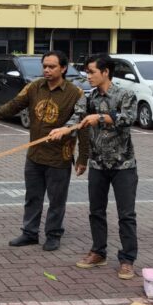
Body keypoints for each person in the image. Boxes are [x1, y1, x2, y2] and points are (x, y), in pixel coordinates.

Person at [0, 51, 89, 252]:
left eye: (52, 66)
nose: (46, 70)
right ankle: (30, 233)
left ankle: (53, 234)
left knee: (56, 200)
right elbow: (14, 105)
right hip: (35, 154)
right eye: (44, 66)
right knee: (32, 196)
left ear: (63, 68)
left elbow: (82, 124)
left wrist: (82, 158)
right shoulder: (34, 87)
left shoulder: (76, 93)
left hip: (59, 157)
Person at [49, 53, 139, 280]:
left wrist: (99, 118)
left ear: (105, 72)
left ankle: (127, 260)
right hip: (98, 164)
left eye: (91, 72)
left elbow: (128, 117)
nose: (88, 76)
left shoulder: (124, 94)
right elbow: (78, 118)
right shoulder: (89, 97)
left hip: (123, 165)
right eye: (87, 72)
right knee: (96, 211)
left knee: (126, 214)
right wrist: (63, 129)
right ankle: (98, 252)